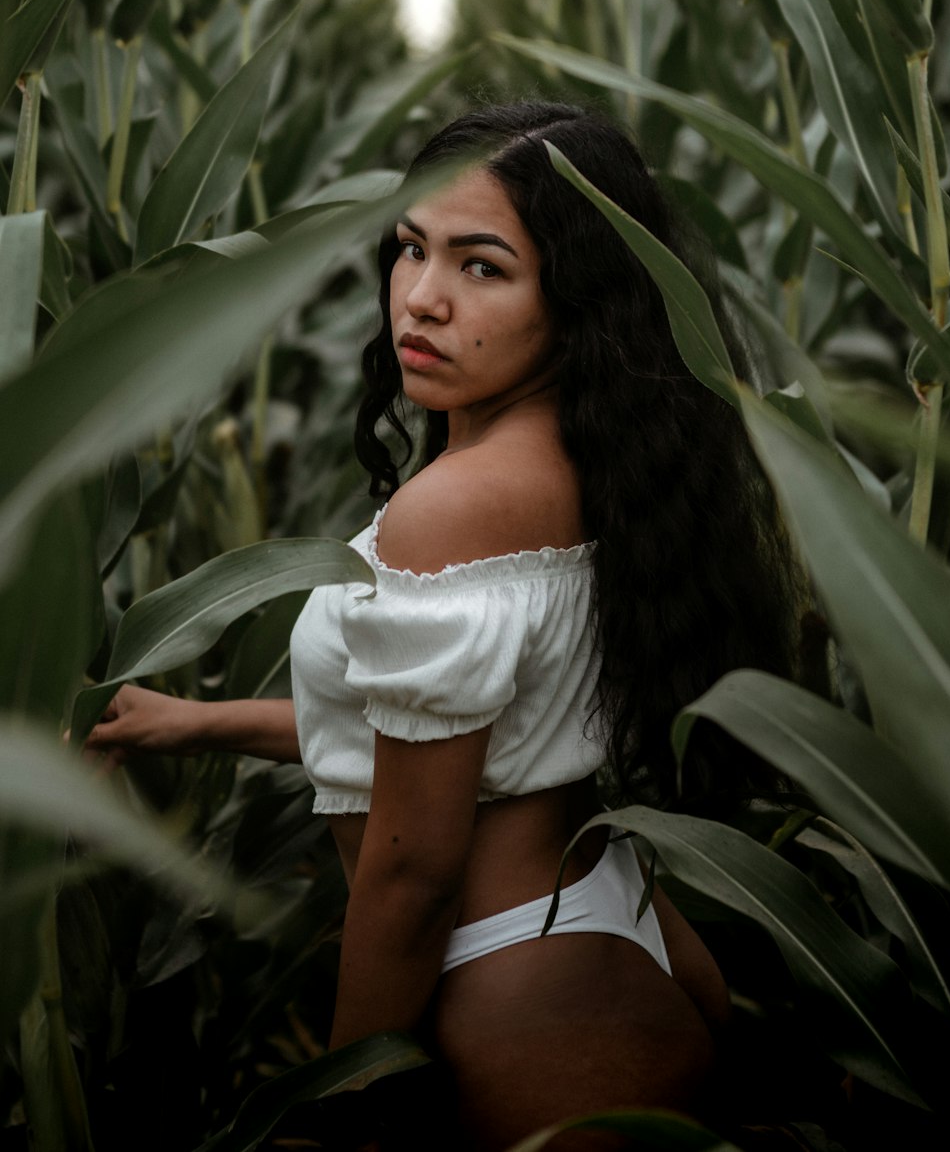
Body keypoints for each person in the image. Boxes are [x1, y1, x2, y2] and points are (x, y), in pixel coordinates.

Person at [87, 103, 802, 1149]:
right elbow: (450, 740)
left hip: (509, 976)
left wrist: (329, 1110)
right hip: (612, 924)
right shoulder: (608, 461)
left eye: (481, 267)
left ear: (575, 295)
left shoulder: (455, 507)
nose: (419, 299)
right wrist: (196, 722)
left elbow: (412, 873)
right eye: (410, 247)